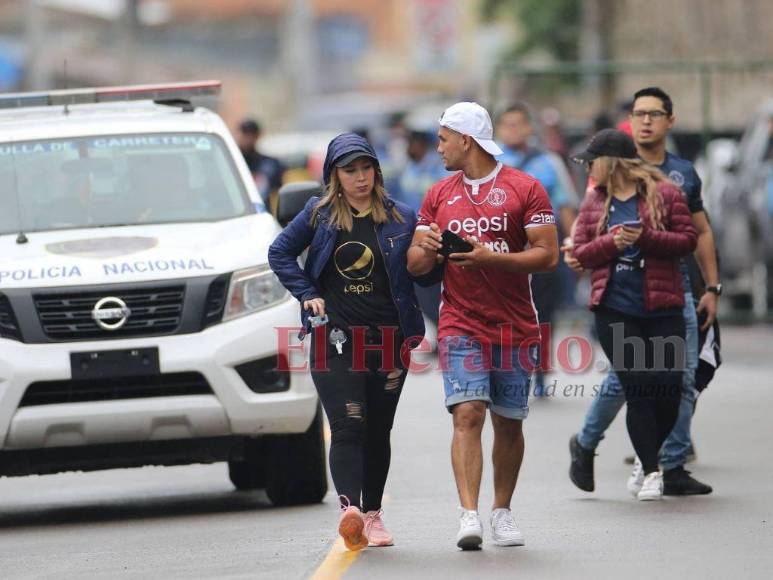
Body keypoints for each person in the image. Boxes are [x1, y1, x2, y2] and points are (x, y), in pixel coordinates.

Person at [407, 102, 558, 549]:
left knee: (508, 424)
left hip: (514, 324)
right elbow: (415, 265)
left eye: (443, 139)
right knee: (468, 413)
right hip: (459, 323)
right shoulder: (437, 194)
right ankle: (468, 515)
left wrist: (493, 257)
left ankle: (502, 511)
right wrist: (428, 248)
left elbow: (548, 255)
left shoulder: (525, 188)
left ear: (465, 139)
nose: (438, 148)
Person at [268, 133, 428, 551]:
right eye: (349, 170)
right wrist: (307, 294)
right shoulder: (318, 214)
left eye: (366, 168)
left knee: (378, 430)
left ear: (376, 170)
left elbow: (423, 278)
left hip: (389, 341)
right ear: (334, 176)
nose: (360, 178)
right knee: (347, 424)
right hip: (334, 338)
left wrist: (433, 255)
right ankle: (349, 512)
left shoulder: (402, 218)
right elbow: (280, 253)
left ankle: (372, 515)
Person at [568, 88, 720, 496]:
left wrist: (647, 238)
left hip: (666, 301)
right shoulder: (594, 201)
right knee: (635, 386)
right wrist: (611, 244)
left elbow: (690, 237)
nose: (588, 170)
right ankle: (653, 469)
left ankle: (637, 454)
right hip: (615, 306)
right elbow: (580, 251)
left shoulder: (669, 188)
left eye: (592, 163)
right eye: (639, 114)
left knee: (670, 387)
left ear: (610, 163)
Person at [496, 103, 578, 395]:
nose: (514, 129)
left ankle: (540, 371)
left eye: (519, 123)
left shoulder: (548, 162)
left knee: (543, 314)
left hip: (541, 251)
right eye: (508, 124)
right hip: (501, 254)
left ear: (530, 127)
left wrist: (573, 243)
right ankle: (509, 369)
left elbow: (565, 205)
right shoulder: (490, 161)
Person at [235, 118, 285, 210]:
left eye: (252, 134)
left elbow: (280, 196)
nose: (248, 138)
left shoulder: (270, 165)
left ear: (258, 136)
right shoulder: (229, 165)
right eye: (245, 134)